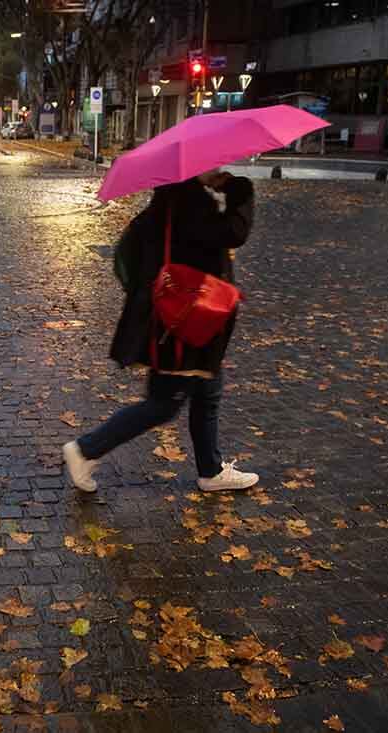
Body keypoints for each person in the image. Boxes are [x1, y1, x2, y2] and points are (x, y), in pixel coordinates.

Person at [63, 169, 260, 494]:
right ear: (196, 168)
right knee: (163, 403)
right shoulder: (189, 203)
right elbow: (234, 232)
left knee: (208, 392)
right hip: (183, 327)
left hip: (188, 324)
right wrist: (240, 189)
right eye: (213, 164)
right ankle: (86, 449)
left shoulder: (167, 200)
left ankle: (211, 471)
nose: (221, 167)